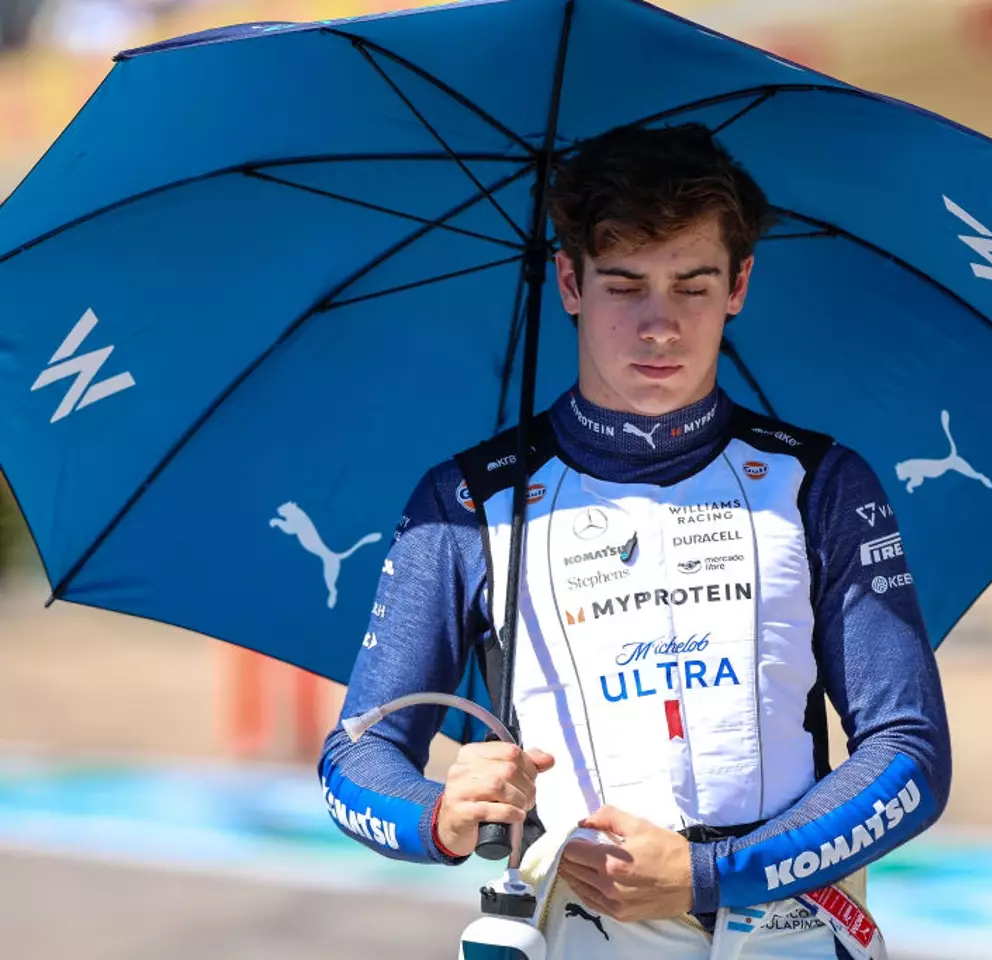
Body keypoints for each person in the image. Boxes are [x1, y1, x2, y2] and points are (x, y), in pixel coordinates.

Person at [318, 123, 951, 959]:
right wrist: (438, 814)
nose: (660, 326)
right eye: (624, 287)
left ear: (739, 285)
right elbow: (354, 758)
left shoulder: (821, 482)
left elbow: (911, 756)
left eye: (692, 286)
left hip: (790, 931)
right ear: (570, 282)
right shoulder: (468, 499)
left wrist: (708, 874)